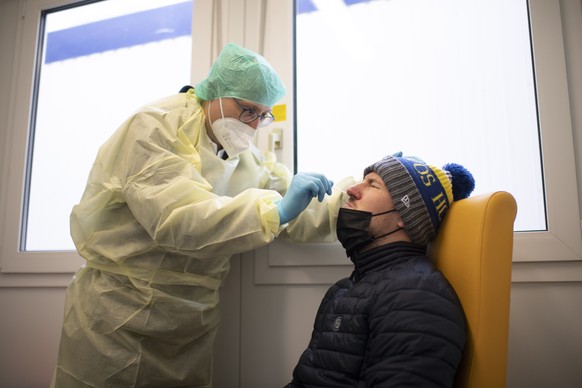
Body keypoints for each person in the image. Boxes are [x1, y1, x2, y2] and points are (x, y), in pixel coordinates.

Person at [51, 43, 348, 388]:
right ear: (218, 92)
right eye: (247, 109)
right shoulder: (154, 127)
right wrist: (275, 211)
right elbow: (178, 218)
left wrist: (351, 201)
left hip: (191, 319)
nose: (253, 124)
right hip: (120, 311)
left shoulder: (245, 155)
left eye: (262, 115)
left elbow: (292, 206)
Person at [285, 153, 475, 388]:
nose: (352, 189)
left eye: (372, 184)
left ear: (406, 215)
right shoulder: (344, 289)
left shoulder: (415, 298)